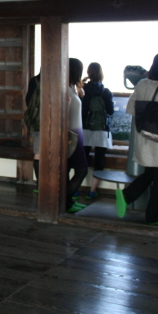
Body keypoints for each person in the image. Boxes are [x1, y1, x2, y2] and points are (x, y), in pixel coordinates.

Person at [116, 53, 158, 225]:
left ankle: (127, 195)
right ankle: (152, 216)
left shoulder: (142, 84)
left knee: (151, 173)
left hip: (144, 137)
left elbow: (131, 109)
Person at [81, 63, 114, 199]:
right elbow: (110, 111)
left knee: (82, 159)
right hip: (101, 130)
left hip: (85, 128)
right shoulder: (106, 92)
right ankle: (92, 191)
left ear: (88, 73)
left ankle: (76, 188)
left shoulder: (82, 90)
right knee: (99, 160)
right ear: (101, 74)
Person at [66, 58, 89, 213]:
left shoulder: (70, 87)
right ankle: (63, 200)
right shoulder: (65, 89)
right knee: (82, 170)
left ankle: (67, 203)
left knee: (67, 169)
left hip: (75, 133)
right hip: (71, 134)